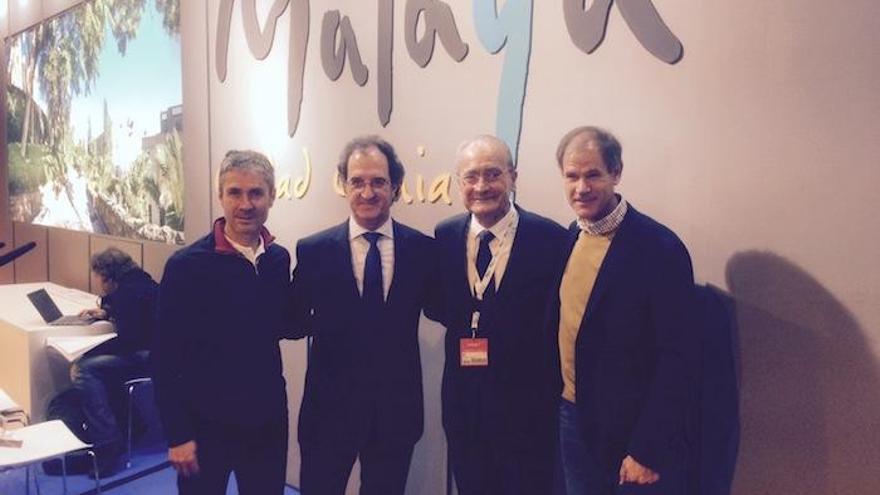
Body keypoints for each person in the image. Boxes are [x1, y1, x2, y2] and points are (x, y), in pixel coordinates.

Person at [551, 126, 698, 494]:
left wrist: (646, 448)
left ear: (616, 173)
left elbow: (678, 358)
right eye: (572, 176)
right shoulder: (570, 236)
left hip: (632, 435)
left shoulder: (660, 248)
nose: (581, 187)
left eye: (592, 175)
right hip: (574, 420)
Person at [290, 136, 436, 495]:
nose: (367, 192)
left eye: (378, 182)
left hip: (394, 415)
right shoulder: (313, 251)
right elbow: (292, 320)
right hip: (328, 412)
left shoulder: (422, 250)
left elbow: (441, 307)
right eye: (357, 181)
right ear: (344, 185)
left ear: (395, 187)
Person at [429, 135, 568, 494]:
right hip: (464, 405)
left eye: (493, 175)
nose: (481, 186)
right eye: (471, 176)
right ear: (459, 182)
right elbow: (439, 305)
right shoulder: (444, 236)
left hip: (527, 407)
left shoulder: (550, 239)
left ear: (513, 177)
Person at [153, 150, 291, 494]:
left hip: (266, 424)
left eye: (256, 193)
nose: (245, 204)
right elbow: (165, 355)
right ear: (220, 197)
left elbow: (284, 323)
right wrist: (178, 434)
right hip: (204, 428)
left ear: (272, 196)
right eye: (235, 192)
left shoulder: (278, 259)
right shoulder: (186, 266)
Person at [70, 247, 158, 477]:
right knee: (101, 370)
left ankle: (107, 444)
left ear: (106, 276)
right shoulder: (142, 282)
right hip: (157, 352)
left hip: (150, 356)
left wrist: (89, 350)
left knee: (85, 370)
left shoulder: (126, 294)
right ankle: (130, 424)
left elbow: (130, 341)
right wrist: (107, 313)